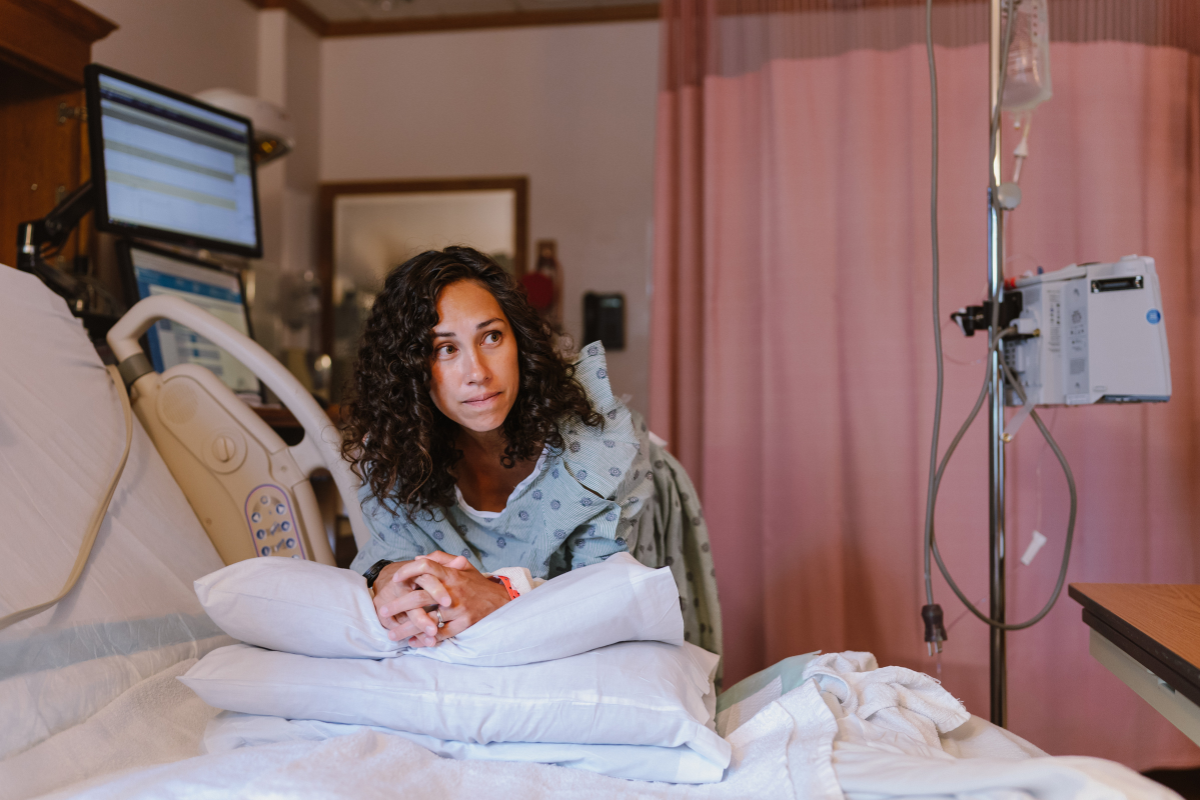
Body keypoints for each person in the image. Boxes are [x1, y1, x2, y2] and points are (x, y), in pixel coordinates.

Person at [341, 246, 720, 657]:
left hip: (631, 533)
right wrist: (390, 578)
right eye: (445, 349)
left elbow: (612, 600)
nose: (479, 374)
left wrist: (502, 594)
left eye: (491, 337)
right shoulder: (398, 456)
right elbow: (392, 554)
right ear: (408, 369)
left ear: (518, 341)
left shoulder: (597, 450)